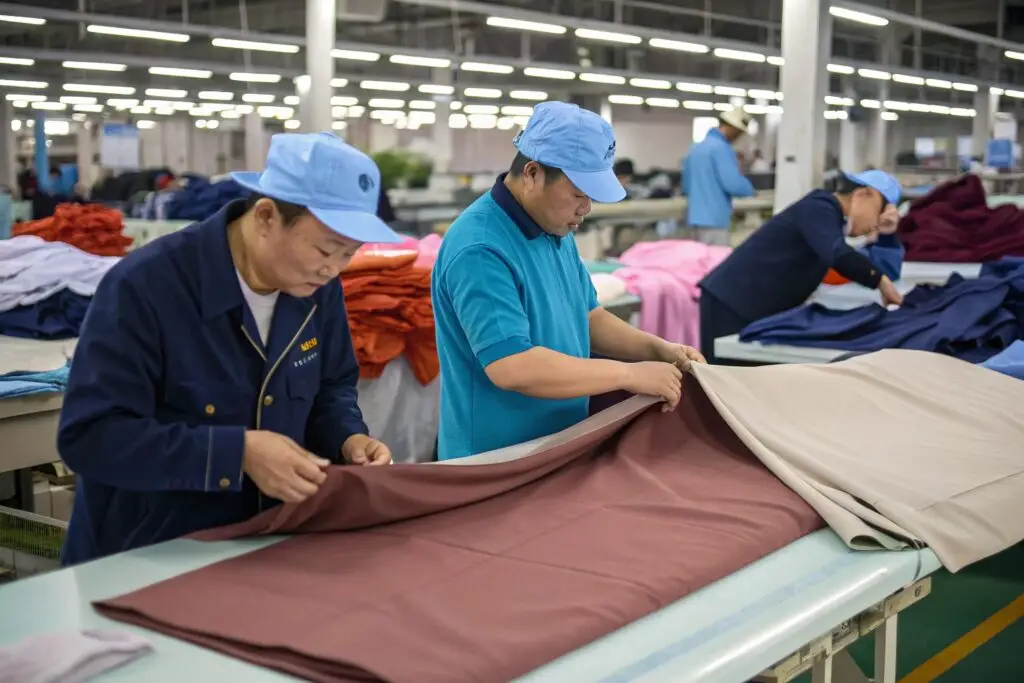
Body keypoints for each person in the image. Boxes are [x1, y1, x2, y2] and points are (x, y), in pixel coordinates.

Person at [58, 132, 399, 565]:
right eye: (326, 249)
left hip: (261, 546)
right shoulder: (146, 289)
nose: (333, 270)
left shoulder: (315, 288)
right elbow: (91, 437)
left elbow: (331, 386)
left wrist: (348, 437)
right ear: (265, 217)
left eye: (349, 254)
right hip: (145, 558)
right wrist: (237, 454)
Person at [431, 101, 705, 461]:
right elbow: (513, 366)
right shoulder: (480, 248)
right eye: (578, 194)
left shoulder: (553, 229)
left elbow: (588, 317)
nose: (586, 208)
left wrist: (658, 350)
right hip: (494, 458)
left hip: (555, 443)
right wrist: (628, 374)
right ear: (532, 173)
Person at [698, 169, 905, 364]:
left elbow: (886, 268)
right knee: (722, 385)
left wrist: (887, 237)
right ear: (863, 195)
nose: (875, 225)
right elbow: (838, 255)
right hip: (731, 302)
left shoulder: (832, 223)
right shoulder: (819, 206)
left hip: (755, 307)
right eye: (878, 213)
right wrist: (879, 281)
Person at [681, 108, 756, 246]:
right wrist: (750, 190)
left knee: (699, 263)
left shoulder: (696, 148)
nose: (738, 137)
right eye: (739, 133)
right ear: (731, 128)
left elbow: (686, 185)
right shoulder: (722, 149)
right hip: (715, 220)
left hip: (694, 218)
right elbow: (732, 184)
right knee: (716, 262)